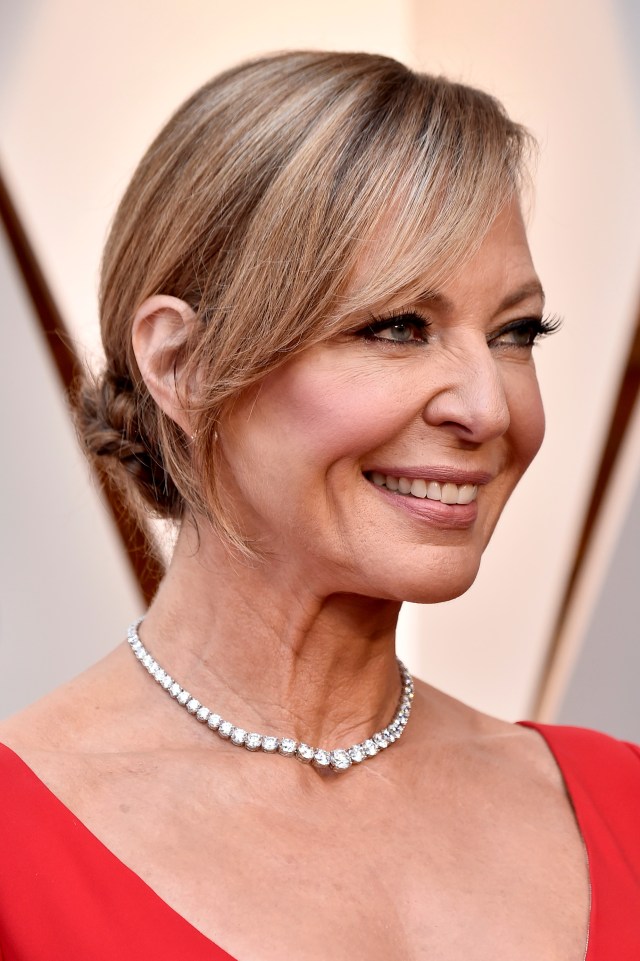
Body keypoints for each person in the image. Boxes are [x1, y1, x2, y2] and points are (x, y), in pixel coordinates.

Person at [0, 50, 638, 961]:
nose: (489, 407)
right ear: (182, 365)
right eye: (396, 328)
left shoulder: (621, 807)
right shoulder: (16, 853)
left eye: (515, 333)